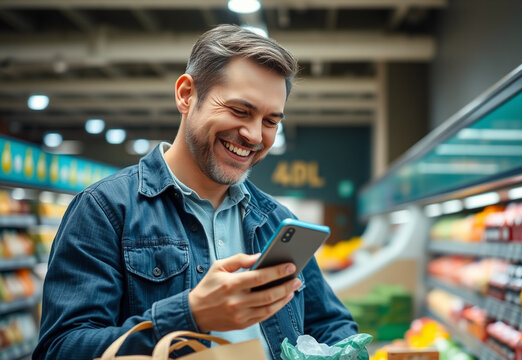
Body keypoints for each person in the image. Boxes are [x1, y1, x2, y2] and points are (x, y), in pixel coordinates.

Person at [34, 24, 357, 360]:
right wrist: (191, 314)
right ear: (186, 94)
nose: (254, 135)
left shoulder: (277, 220)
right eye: (239, 111)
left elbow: (331, 324)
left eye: (270, 121)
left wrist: (340, 349)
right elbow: (60, 349)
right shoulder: (105, 209)